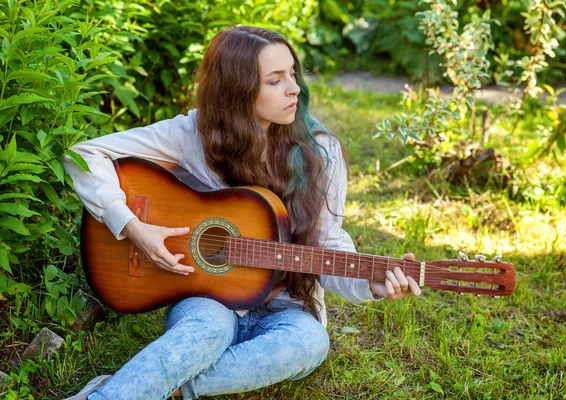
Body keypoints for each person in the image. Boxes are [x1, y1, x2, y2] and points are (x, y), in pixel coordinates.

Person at [62, 25, 422, 400]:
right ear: (237, 90)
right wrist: (132, 226)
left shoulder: (321, 152)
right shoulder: (194, 135)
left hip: (289, 309)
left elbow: (330, 243)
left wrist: (372, 284)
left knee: (310, 343)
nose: (295, 88)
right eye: (275, 80)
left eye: (293, 74)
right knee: (206, 331)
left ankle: (146, 382)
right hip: (210, 299)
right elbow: (84, 155)